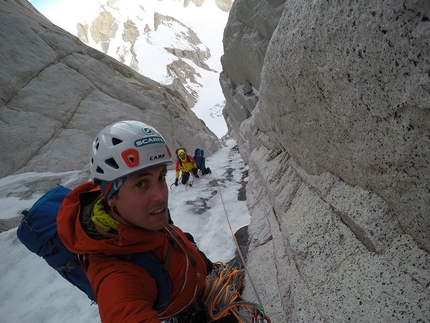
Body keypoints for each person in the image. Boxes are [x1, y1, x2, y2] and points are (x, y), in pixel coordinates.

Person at [56, 120, 231, 323]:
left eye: (161, 177)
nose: (161, 195)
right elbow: (123, 309)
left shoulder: (138, 214)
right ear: (110, 197)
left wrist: (202, 264)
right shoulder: (116, 274)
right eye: (141, 183)